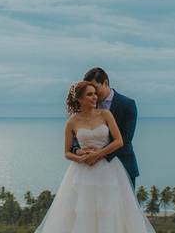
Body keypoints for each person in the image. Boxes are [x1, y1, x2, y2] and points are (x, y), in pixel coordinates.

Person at [33, 80, 155, 233]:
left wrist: (98, 154)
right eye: (90, 94)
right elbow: (67, 152)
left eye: (95, 94)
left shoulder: (105, 114)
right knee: (82, 213)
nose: (95, 97)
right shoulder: (72, 122)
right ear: (79, 99)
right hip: (82, 171)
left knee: (109, 211)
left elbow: (119, 141)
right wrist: (80, 158)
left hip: (108, 169)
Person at [76, 67, 139, 187]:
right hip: (91, 169)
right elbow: (77, 134)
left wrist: (98, 154)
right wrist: (79, 151)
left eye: (96, 88)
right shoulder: (87, 106)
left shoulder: (127, 104)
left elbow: (126, 138)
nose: (93, 93)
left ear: (105, 83)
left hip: (123, 165)